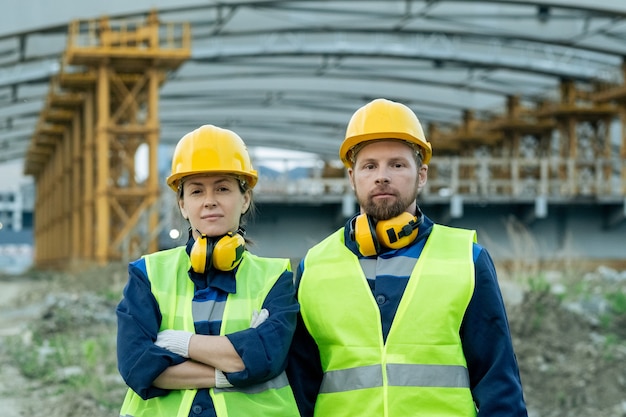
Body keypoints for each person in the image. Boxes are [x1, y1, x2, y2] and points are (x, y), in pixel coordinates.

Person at [286, 98, 528, 417]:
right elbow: (299, 388)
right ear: (351, 176)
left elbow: (499, 384)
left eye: (397, 165)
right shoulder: (314, 266)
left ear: (422, 174)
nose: (382, 176)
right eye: (369, 165)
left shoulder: (467, 259)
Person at [116, 124, 300, 417]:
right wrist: (231, 369)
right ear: (183, 204)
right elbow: (137, 365)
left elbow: (267, 357)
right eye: (197, 191)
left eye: (223, 188)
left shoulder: (276, 278)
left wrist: (179, 342)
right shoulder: (147, 274)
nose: (209, 200)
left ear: (245, 198)